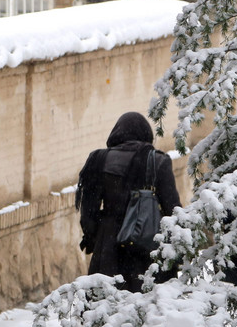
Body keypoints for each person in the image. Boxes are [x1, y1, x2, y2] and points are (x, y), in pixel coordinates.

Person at [76, 111, 181, 293]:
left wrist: (96, 238)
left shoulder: (99, 160)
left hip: (108, 250)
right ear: (146, 135)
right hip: (147, 249)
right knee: (148, 308)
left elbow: (88, 214)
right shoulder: (158, 162)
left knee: (105, 309)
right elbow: (174, 212)